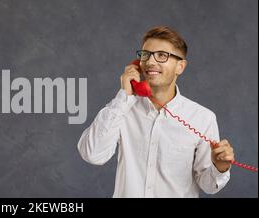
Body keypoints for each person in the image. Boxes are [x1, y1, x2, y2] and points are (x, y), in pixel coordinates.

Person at [77, 26, 234, 197]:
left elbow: (209, 186)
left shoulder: (203, 118)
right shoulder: (122, 108)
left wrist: (220, 167)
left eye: (161, 55)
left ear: (180, 66)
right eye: (145, 55)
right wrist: (124, 96)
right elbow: (92, 154)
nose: (150, 62)